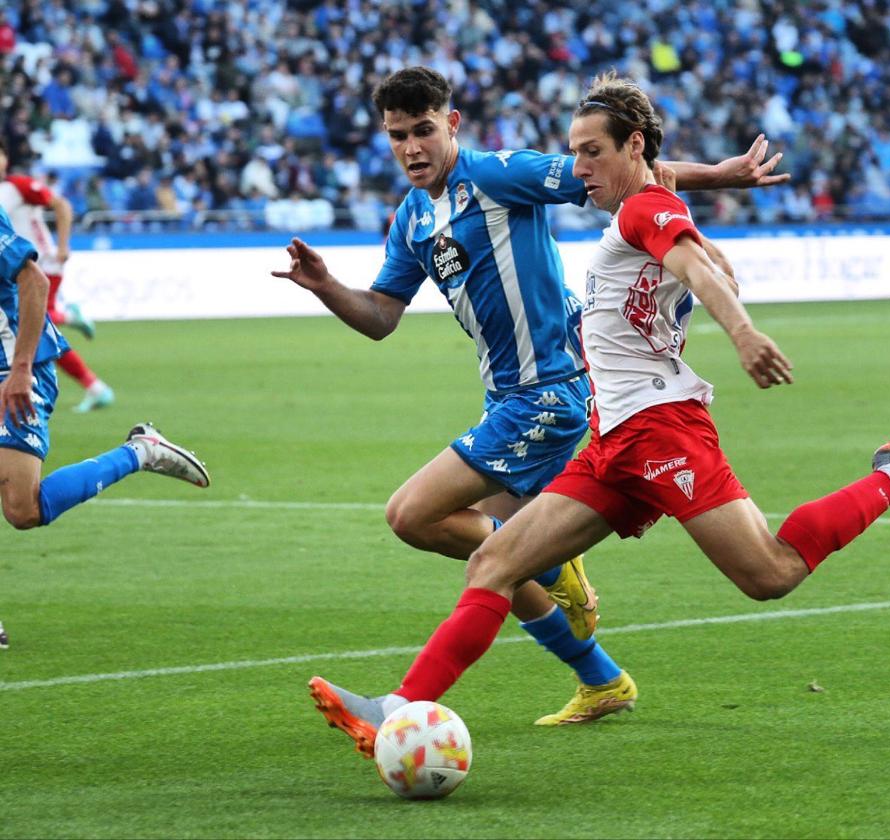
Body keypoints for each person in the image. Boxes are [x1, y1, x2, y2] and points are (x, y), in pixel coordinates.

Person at [305, 73, 890, 751]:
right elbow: (686, 247)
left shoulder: (627, 208)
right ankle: (398, 709)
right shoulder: (614, 218)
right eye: (573, 154)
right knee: (491, 564)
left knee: (769, 574)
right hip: (612, 439)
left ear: (632, 149)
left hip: (657, 426)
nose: (576, 171)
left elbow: (692, 261)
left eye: (590, 154)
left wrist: (744, 329)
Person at [276, 67, 789, 743]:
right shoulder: (411, 219)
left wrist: (717, 177)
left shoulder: (496, 176)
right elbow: (379, 316)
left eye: (424, 130)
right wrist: (325, 287)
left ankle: (549, 571)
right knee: (490, 557)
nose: (411, 148)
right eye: (398, 136)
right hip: (508, 397)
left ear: (451, 124)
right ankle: (602, 677)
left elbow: (608, 173)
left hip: (552, 388)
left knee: (413, 515)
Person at [0, 204, 211, 650]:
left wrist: (20, 369)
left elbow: (34, 281)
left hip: (17, 368)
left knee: (23, 509)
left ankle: (141, 451)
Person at [0, 140, 115, 413]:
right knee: (37, 332)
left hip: (40, 264)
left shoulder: (18, 185)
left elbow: (62, 206)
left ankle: (71, 318)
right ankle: (94, 387)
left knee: (38, 322)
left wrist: (63, 245)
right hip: (14, 269)